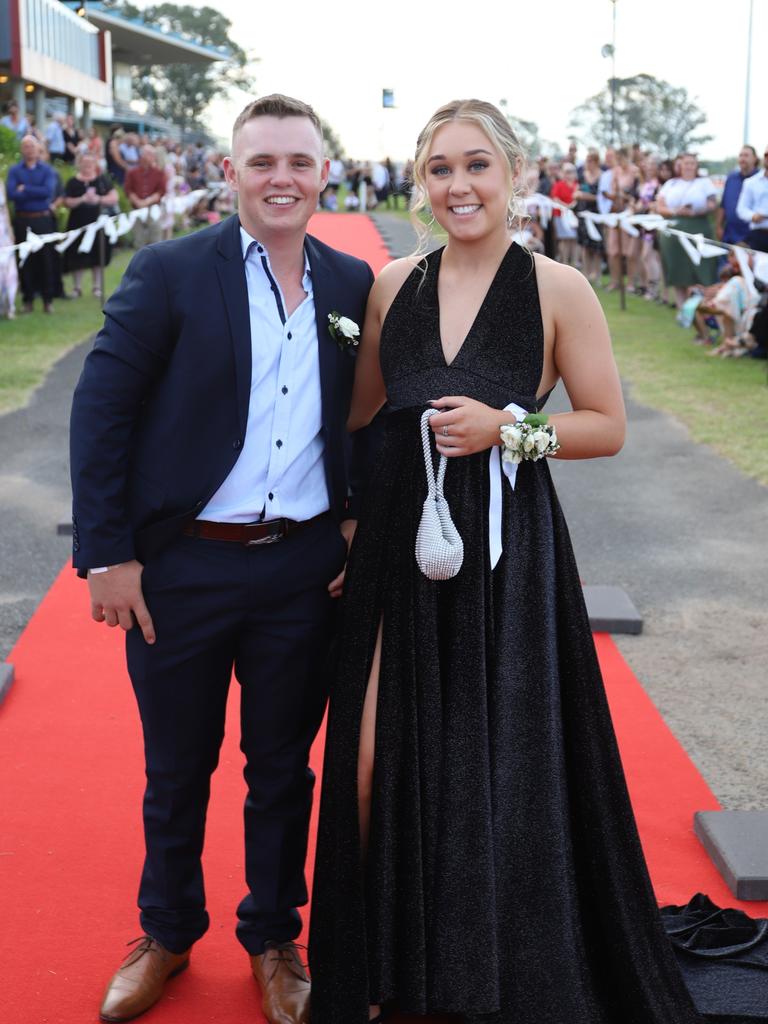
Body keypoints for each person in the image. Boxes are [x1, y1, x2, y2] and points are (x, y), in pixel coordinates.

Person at [309, 98, 702, 1024]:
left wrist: (509, 429)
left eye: (477, 165)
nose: (460, 185)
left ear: (515, 174)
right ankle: (373, 967)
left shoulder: (560, 287)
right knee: (367, 759)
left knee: (494, 763)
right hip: (395, 549)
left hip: (506, 556)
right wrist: (348, 519)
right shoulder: (391, 284)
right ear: (421, 182)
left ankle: (477, 969)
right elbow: (364, 417)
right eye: (441, 168)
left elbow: (605, 427)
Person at [70, 93, 374, 1024]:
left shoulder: (357, 285)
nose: (281, 177)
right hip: (183, 570)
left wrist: (357, 524)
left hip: (301, 571)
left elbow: (375, 416)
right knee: (177, 766)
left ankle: (275, 936)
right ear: (230, 172)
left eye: (299, 161)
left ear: (326, 172)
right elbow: (102, 413)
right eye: (262, 161)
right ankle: (166, 932)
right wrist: (107, 555)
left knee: (284, 766)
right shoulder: (168, 272)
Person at [656, 153, 718, 308]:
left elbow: (713, 204)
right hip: (674, 230)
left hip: (698, 227)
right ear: (680, 165)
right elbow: (660, 207)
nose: (689, 166)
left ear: (696, 165)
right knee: (677, 270)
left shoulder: (704, 183)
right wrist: (677, 211)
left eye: (692, 163)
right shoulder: (671, 184)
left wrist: (698, 210)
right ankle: (681, 307)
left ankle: (701, 308)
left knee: (699, 269)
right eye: (686, 163)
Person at [6, 134, 57, 313]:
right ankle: (28, 300)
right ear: (22, 150)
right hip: (22, 219)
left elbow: (47, 192)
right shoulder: (15, 171)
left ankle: (47, 300)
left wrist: (25, 188)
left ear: (38, 149)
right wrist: (33, 191)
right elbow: (12, 194)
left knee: (46, 260)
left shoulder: (47, 170)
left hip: (42, 219)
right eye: (26, 146)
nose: (29, 150)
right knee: (24, 260)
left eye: (32, 146)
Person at [62, 152, 117, 297]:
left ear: (95, 165)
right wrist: (82, 199)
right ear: (79, 164)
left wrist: (98, 199)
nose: (87, 166)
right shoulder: (73, 182)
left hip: (98, 223)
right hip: (77, 223)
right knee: (76, 254)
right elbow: (66, 201)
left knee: (98, 254)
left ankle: (96, 287)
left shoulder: (101, 180)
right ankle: (77, 287)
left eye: (90, 163)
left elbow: (113, 198)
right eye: (85, 163)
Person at [124, 145, 165, 248]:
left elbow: (161, 191)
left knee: (155, 235)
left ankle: (156, 260)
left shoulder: (158, 172)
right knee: (139, 238)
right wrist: (137, 201)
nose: (153, 156)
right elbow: (128, 190)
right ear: (142, 155)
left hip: (153, 207)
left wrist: (148, 201)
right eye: (150, 154)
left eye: (153, 154)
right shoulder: (132, 172)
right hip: (136, 209)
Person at [717, 146, 759, 246]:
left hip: (753, 238)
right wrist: (718, 227)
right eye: (741, 155)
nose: (742, 158)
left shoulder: (761, 180)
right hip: (729, 236)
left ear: (755, 159)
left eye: (746, 155)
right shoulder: (731, 178)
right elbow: (723, 205)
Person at [736, 143, 768, 253]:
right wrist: (753, 216)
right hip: (759, 235)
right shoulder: (751, 182)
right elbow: (741, 209)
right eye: (766, 155)